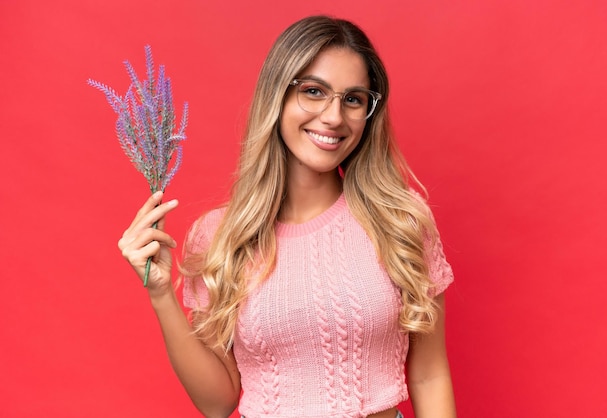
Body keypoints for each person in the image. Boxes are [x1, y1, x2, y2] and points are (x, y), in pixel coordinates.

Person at [119, 15, 456, 418]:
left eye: (353, 99)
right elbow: (218, 402)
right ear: (277, 96)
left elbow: (429, 376)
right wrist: (160, 295)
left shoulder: (400, 222)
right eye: (313, 91)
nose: (333, 116)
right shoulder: (219, 237)